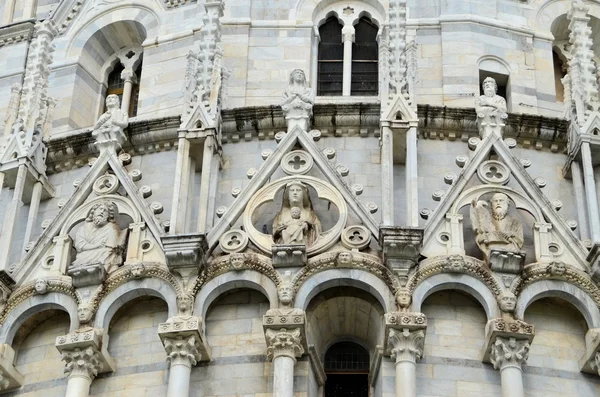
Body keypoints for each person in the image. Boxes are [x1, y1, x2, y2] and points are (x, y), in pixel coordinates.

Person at [71, 201, 127, 273]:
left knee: (109, 254)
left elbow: (111, 248)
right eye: (100, 209)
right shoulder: (83, 228)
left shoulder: (111, 228)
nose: (102, 212)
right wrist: (96, 246)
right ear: (94, 212)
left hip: (102, 253)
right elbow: (79, 245)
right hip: (84, 255)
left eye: (105, 211)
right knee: (81, 257)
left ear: (108, 216)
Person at [470, 192, 523, 261]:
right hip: (490, 248)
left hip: (510, 251)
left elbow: (519, 241)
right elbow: (479, 234)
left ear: (507, 204)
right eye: (496, 201)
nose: (498, 203)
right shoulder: (486, 219)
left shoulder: (515, 223)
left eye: (501, 200)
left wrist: (511, 235)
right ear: (492, 205)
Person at [273, 181, 322, 247]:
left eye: (298, 190)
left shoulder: (311, 215)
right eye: (292, 190)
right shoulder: (280, 216)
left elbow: (318, 233)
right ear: (287, 195)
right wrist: (278, 231)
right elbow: (274, 236)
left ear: (303, 195)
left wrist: (308, 226)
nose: (295, 193)